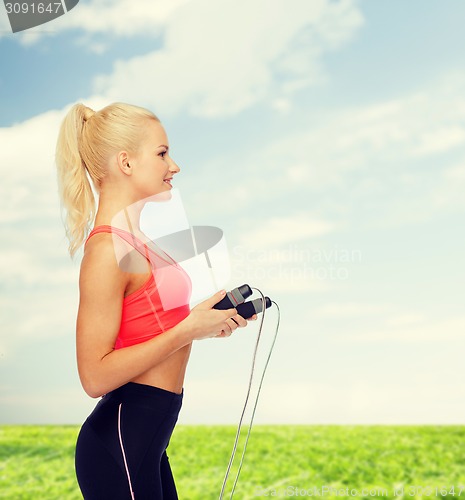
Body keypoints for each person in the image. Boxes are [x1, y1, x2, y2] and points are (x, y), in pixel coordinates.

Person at [55, 102, 256, 499]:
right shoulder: (106, 250)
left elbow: (152, 328)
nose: (174, 166)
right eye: (162, 154)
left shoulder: (139, 244)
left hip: (147, 444)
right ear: (126, 163)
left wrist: (202, 321)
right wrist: (186, 331)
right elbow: (94, 378)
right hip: (120, 445)